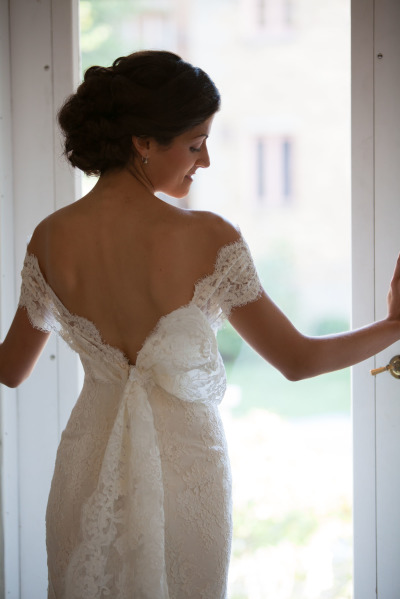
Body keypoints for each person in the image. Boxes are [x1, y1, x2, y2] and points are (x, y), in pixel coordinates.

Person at [0, 50, 399, 599]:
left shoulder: (49, 238)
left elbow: (9, 369)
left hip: (85, 471)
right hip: (189, 474)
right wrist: (395, 324)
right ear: (143, 141)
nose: (205, 160)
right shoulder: (208, 237)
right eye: (194, 143)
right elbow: (299, 361)